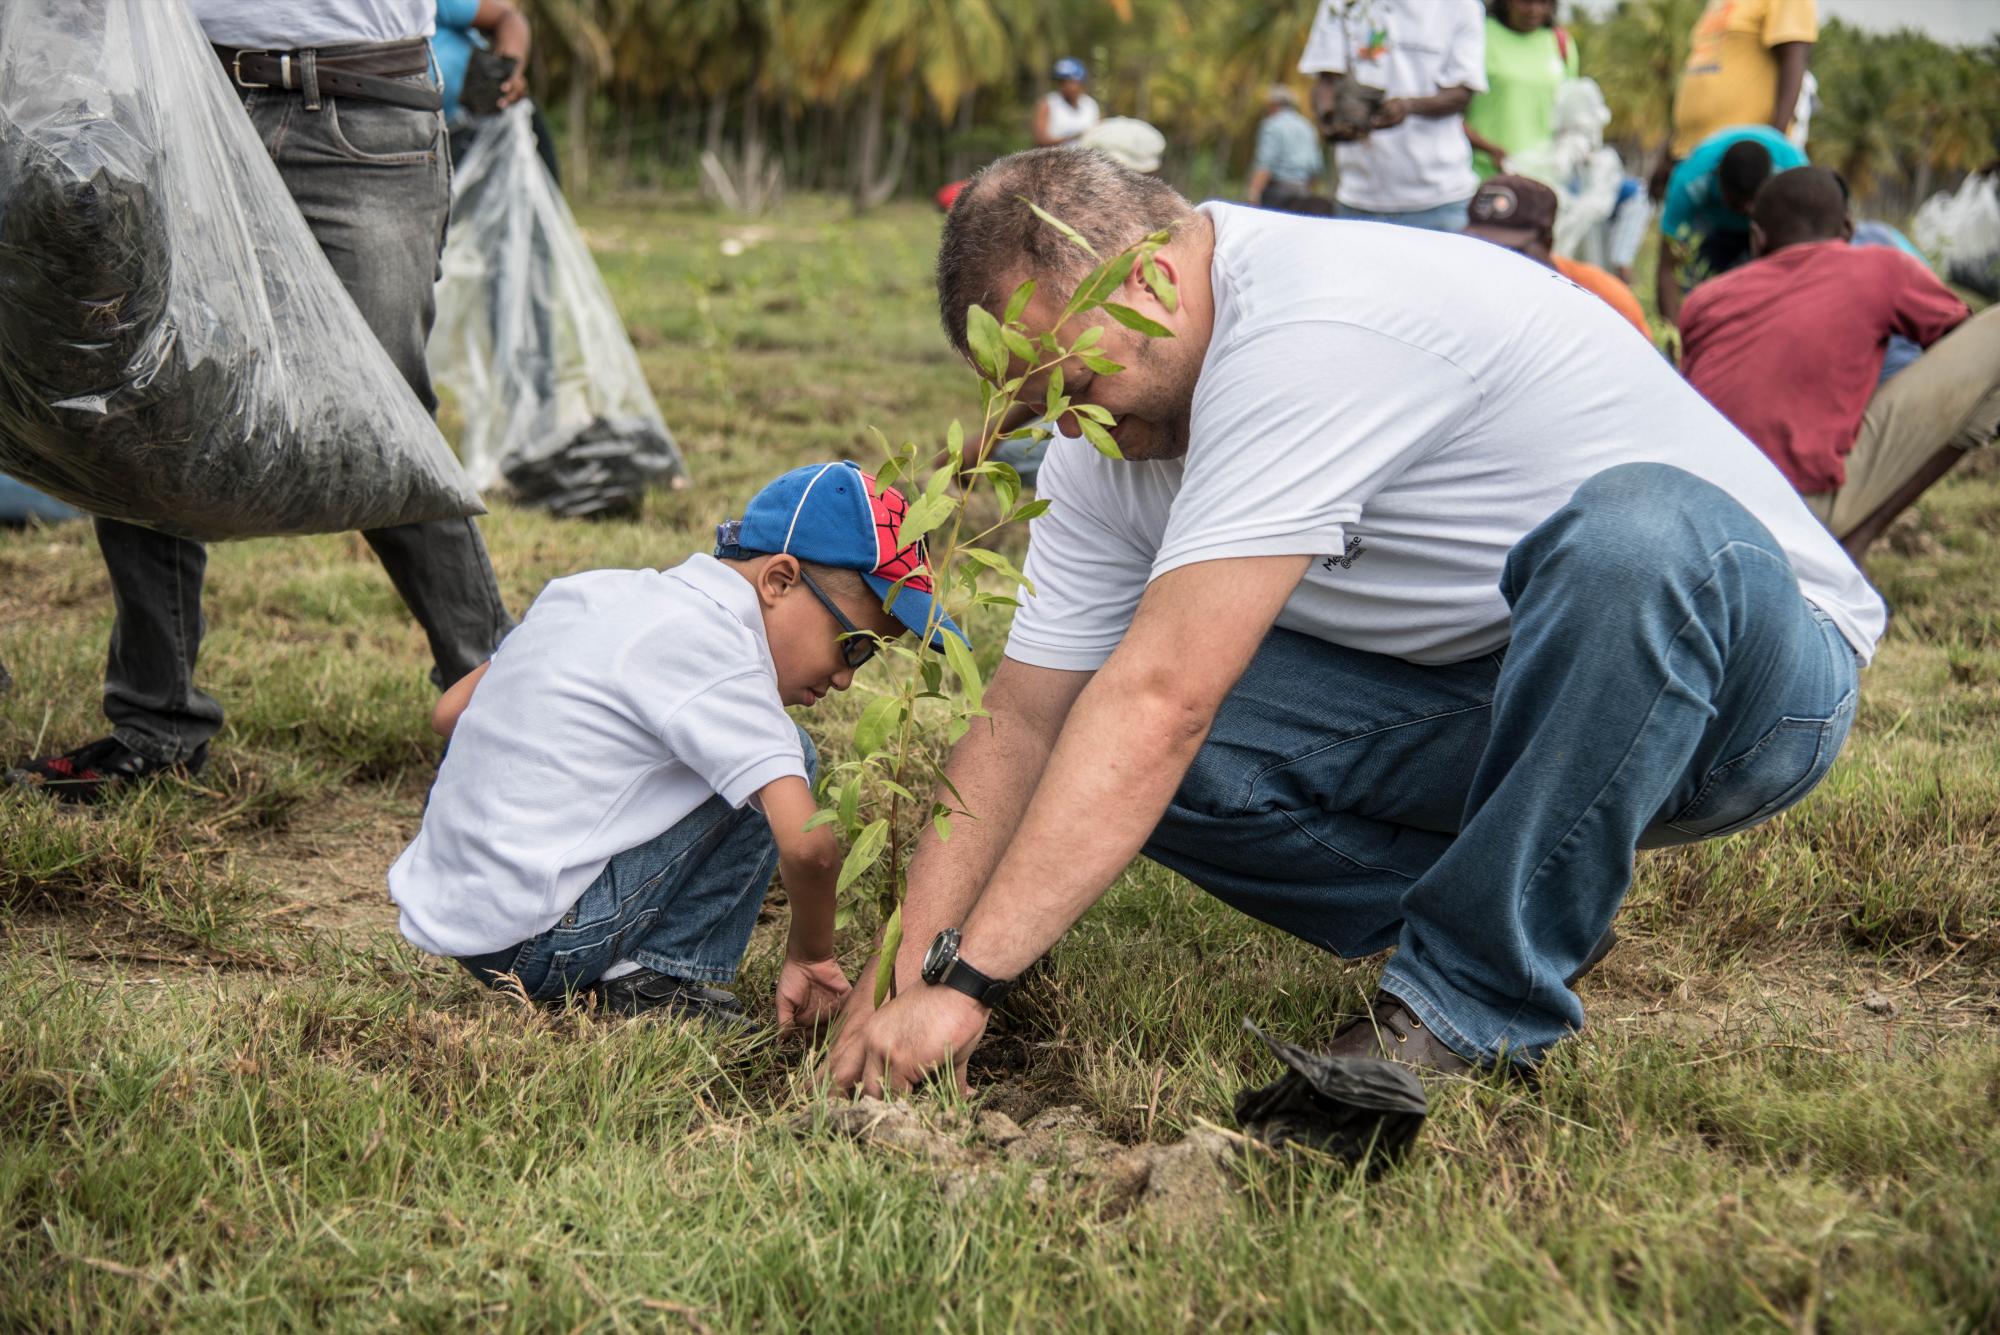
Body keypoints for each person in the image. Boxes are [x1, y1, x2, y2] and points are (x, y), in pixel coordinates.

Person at [827, 148, 1880, 1095]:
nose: (1070, 428)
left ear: (1146, 280)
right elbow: (1022, 720)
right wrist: (901, 976)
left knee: (1635, 535)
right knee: (1109, 746)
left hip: (1746, 689)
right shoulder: (1105, 441)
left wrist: (970, 985)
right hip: (1487, 695)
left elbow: (1166, 699)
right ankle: (1526, 895)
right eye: (1038, 405)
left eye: (1078, 384)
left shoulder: (1315, 322)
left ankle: (1469, 1002)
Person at [7, 0, 514, 804]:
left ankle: (508, 707)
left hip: (356, 110)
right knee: (145, 392)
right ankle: (157, 727)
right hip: (177, 94)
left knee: (386, 423)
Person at [392, 461, 962, 1025]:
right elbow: (810, 850)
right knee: (789, 755)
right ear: (779, 580)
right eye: (853, 646)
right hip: (539, 945)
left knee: (732, 756)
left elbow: (449, 713)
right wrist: (811, 955)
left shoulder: (596, 590)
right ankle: (659, 979)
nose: (846, 678)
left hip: (452, 913)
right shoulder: (720, 655)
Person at [1680, 167, 2000, 562]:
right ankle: (1856, 541)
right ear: (1848, 228)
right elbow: (1960, 348)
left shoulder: (1703, 300)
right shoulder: (1883, 267)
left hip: (1694, 515)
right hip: (1800, 514)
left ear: (1757, 238)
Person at [1300, 0, 1487, 231]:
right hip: (1358, 199)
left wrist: (1408, 107)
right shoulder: (1341, 3)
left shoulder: (1461, 5)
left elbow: (1462, 93)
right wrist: (1328, 117)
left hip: (1440, 199)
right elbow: (1326, 79)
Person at [1462, 175, 1650, 337]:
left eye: (1511, 250)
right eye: (1481, 247)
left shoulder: (1604, 296)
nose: (1496, 261)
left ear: (1548, 241)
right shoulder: (1465, 292)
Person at [1656, 124, 1804, 325]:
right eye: (1737, 205)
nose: (1746, 213)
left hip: (1769, 228)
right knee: (1698, 299)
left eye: (1753, 206)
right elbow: (1668, 267)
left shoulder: (1793, 173)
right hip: (1712, 228)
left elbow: (1804, 258)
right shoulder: (1690, 180)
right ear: (1717, 177)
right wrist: (1672, 334)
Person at [1669, 0, 1816, 163]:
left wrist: (1771, 147)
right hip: (1687, 153)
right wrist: (1672, 145)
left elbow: (1794, 57)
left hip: (1741, 161)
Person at [1464, 0, 1578, 180]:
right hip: (1480, 176)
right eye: (1525, 2)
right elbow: (1451, 112)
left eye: (1544, 3)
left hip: (1543, 179)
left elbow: (1570, 114)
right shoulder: (1478, 34)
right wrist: (1490, 150)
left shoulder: (1561, 42)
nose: (1534, 10)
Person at [1247, 85, 1325, 212]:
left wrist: (1253, 193)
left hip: (1277, 194)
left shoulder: (1272, 124)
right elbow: (1316, 167)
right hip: (1303, 193)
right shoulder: (1308, 127)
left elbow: (1266, 164)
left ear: (1274, 105)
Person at [1033, 58, 1100, 148]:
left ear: (1080, 82)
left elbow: (1099, 133)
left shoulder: (1090, 105)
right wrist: (1074, 136)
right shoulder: (1049, 103)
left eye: (1069, 82)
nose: (1065, 86)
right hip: (1055, 158)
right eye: (1061, 82)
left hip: (1086, 158)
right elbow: (1040, 140)